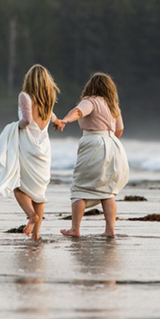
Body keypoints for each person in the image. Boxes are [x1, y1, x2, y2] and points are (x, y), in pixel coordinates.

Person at [0, 64, 62, 240]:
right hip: (44, 148)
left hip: (28, 145)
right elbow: (53, 117)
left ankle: (31, 216)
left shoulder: (25, 96)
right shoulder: (48, 98)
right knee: (39, 194)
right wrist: (59, 122)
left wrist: (14, 126)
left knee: (18, 186)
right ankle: (36, 235)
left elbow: (26, 120)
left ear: (29, 79)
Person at [58, 72, 129, 237]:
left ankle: (75, 229)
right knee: (107, 190)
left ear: (91, 86)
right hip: (114, 145)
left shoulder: (91, 101)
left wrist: (65, 120)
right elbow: (120, 129)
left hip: (94, 143)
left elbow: (78, 112)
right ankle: (110, 230)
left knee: (80, 188)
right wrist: (110, 141)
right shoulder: (113, 106)